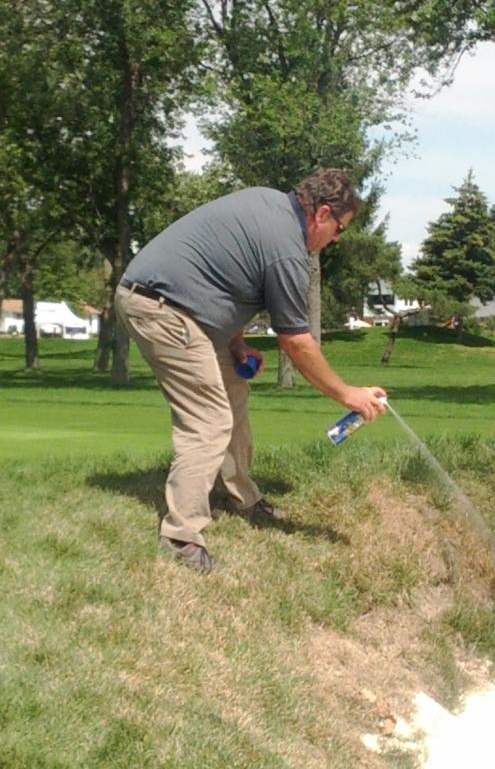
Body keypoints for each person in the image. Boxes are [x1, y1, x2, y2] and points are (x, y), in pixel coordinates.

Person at [115, 168, 386, 573]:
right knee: (208, 420)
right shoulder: (287, 249)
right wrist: (348, 394)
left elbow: (228, 279)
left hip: (179, 307)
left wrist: (236, 343)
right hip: (162, 308)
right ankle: (180, 536)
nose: (337, 239)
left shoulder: (268, 202)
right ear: (322, 214)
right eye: (340, 229)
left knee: (233, 394)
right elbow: (296, 342)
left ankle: (241, 497)